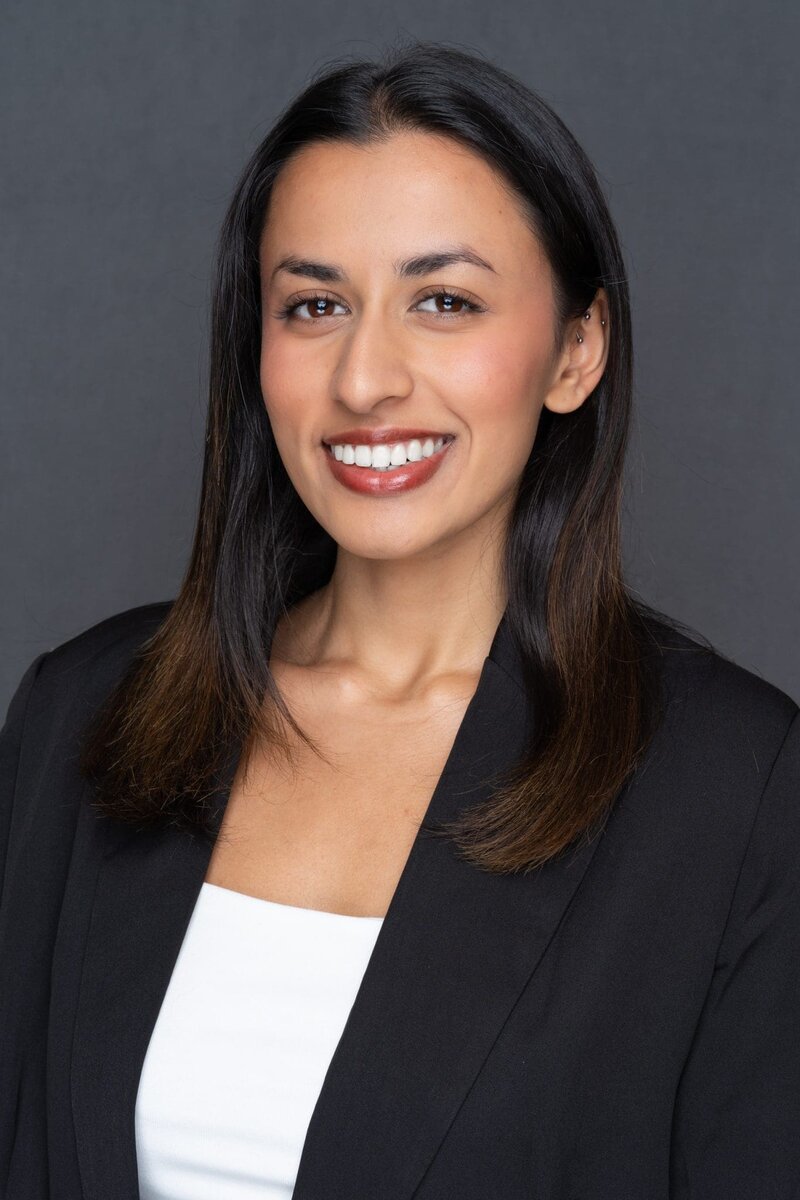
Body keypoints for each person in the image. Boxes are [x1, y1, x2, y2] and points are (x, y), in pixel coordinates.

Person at [1, 39, 798, 1200]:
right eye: (313, 303)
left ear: (576, 350)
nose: (364, 378)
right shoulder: (80, 714)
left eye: (443, 300)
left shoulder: (735, 789)